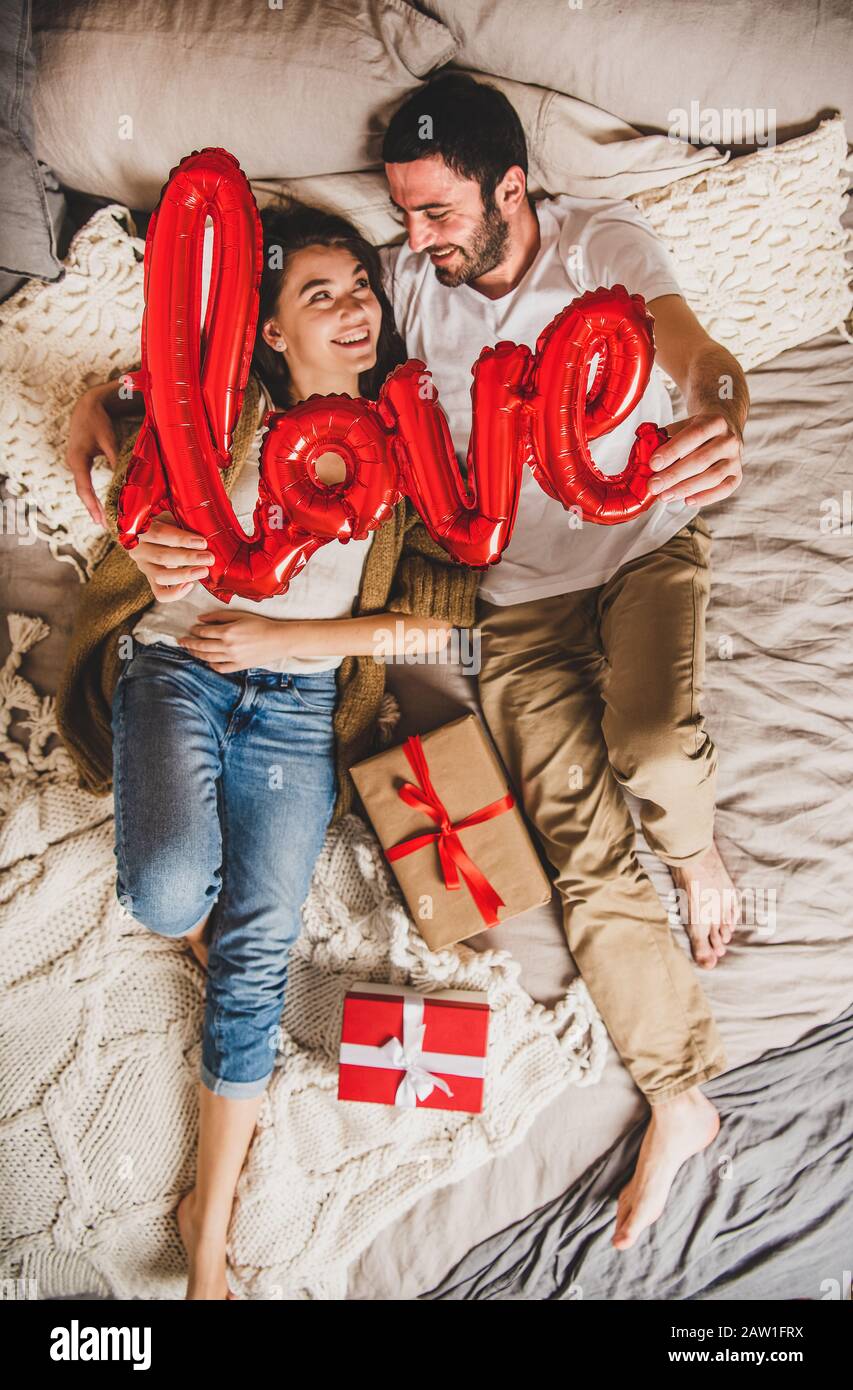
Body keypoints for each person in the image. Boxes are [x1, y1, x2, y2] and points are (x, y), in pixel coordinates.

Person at [57, 199, 479, 1299]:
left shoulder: (403, 443)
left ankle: (208, 1238)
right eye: (319, 295)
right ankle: (234, 961)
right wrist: (118, 506)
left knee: (250, 949)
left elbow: (445, 631)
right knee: (161, 891)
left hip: (295, 708)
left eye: (361, 292)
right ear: (273, 334)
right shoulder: (220, 412)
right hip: (176, 668)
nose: (353, 311)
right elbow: (96, 423)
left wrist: (294, 637)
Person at [378, 73, 749, 1250]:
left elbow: (701, 357)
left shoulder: (599, 246)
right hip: (520, 602)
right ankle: (678, 1097)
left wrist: (723, 415)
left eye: (438, 212)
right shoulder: (404, 285)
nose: (418, 238)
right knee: (578, 852)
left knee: (649, 748)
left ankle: (695, 856)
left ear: (510, 187)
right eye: (404, 214)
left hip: (637, 541)